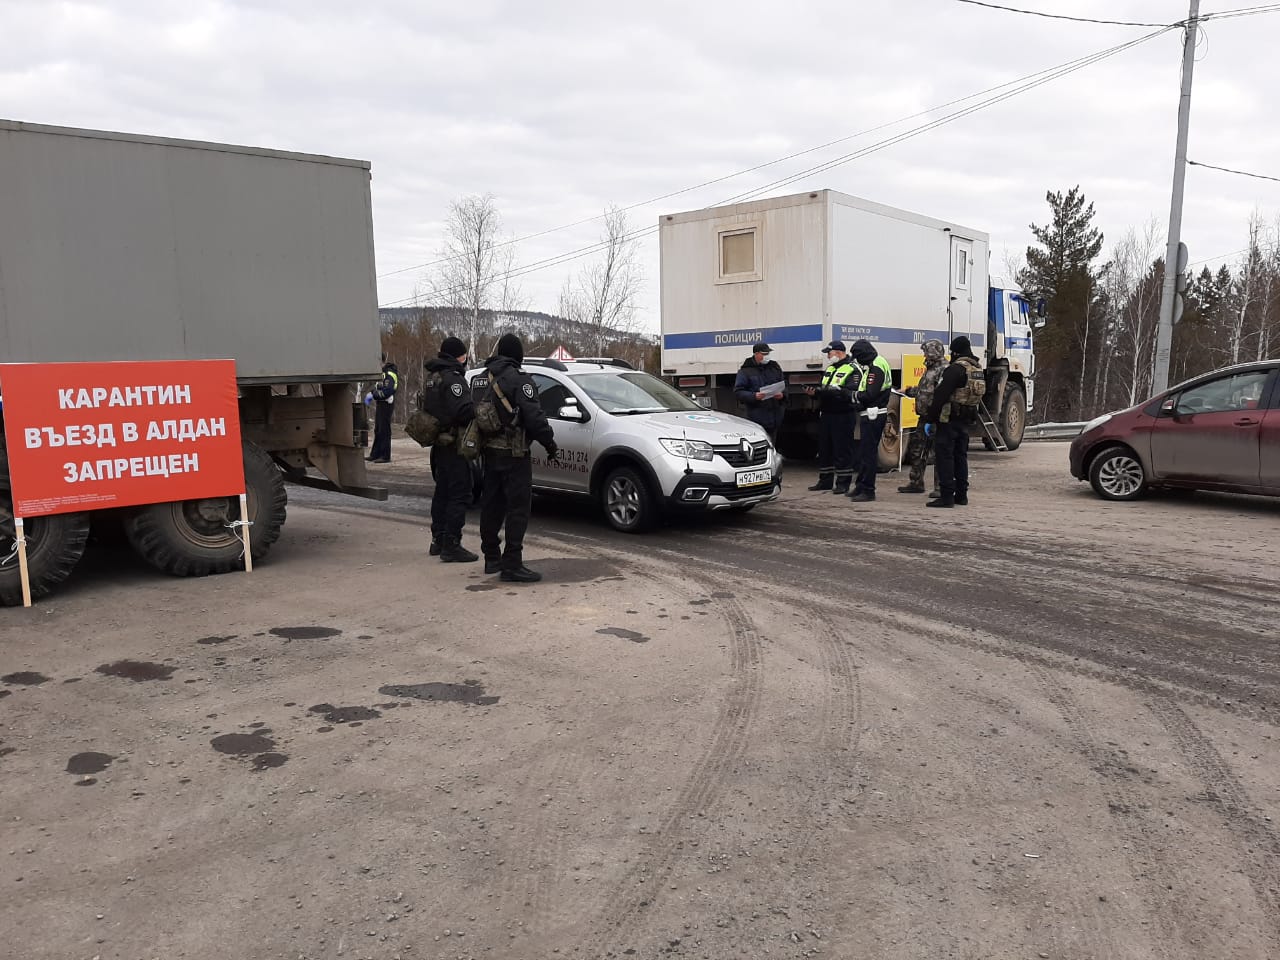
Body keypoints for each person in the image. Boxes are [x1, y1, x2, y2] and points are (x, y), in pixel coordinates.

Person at [472, 333, 559, 582]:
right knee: (518, 509)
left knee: (491, 505)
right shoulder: (520, 380)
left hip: (489, 453)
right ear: (518, 355)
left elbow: (473, 413)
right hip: (515, 454)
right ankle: (512, 564)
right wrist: (549, 442)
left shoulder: (480, 379)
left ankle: (491, 557)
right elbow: (534, 417)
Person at [424, 336, 478, 563]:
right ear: (458, 356)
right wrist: (477, 408)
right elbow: (463, 411)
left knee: (442, 492)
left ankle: (438, 539)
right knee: (459, 493)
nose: (465, 359)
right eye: (464, 355)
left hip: (439, 444)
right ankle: (452, 544)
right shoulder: (453, 379)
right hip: (454, 445)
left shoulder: (433, 378)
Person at [924, 336, 982, 508]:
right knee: (961, 457)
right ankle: (962, 495)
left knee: (945, 457)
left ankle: (947, 496)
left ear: (956, 352)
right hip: (966, 420)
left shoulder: (955, 370)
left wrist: (931, 418)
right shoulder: (976, 369)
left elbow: (940, 395)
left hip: (949, 420)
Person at [804, 340, 858, 494]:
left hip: (843, 414)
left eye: (829, 352)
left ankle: (843, 483)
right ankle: (825, 481)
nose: (828, 355)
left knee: (842, 450)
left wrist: (826, 392)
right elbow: (825, 388)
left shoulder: (852, 368)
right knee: (825, 449)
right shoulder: (830, 368)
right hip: (827, 413)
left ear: (839, 352)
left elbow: (848, 391)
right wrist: (815, 393)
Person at [845, 339, 894, 503]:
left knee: (868, 454)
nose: (857, 360)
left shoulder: (876, 367)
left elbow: (870, 393)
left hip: (874, 414)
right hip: (870, 413)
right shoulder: (875, 363)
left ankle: (868, 490)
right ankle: (860, 485)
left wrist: (853, 396)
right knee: (863, 452)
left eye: (858, 356)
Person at [898, 339, 947, 496]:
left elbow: (940, 395)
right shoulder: (930, 369)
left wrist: (935, 416)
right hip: (924, 417)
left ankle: (940, 488)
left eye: (926, 351)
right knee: (917, 450)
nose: (924, 354)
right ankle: (916, 482)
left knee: (938, 454)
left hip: (936, 418)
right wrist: (908, 391)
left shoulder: (943, 370)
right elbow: (924, 391)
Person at [733, 342, 785, 443]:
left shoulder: (774, 367)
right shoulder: (745, 371)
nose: (767, 356)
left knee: (772, 446)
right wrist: (754, 396)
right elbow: (738, 392)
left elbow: (783, 386)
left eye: (768, 353)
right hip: (756, 417)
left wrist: (782, 395)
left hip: (774, 418)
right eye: (764, 354)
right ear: (756, 354)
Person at [366, 360, 399, 463]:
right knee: (378, 429)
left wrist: (373, 395)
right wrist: (372, 393)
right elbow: (379, 387)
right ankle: (375, 454)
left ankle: (385, 456)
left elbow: (387, 391)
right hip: (381, 403)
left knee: (384, 430)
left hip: (387, 403)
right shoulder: (382, 373)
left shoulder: (389, 374)